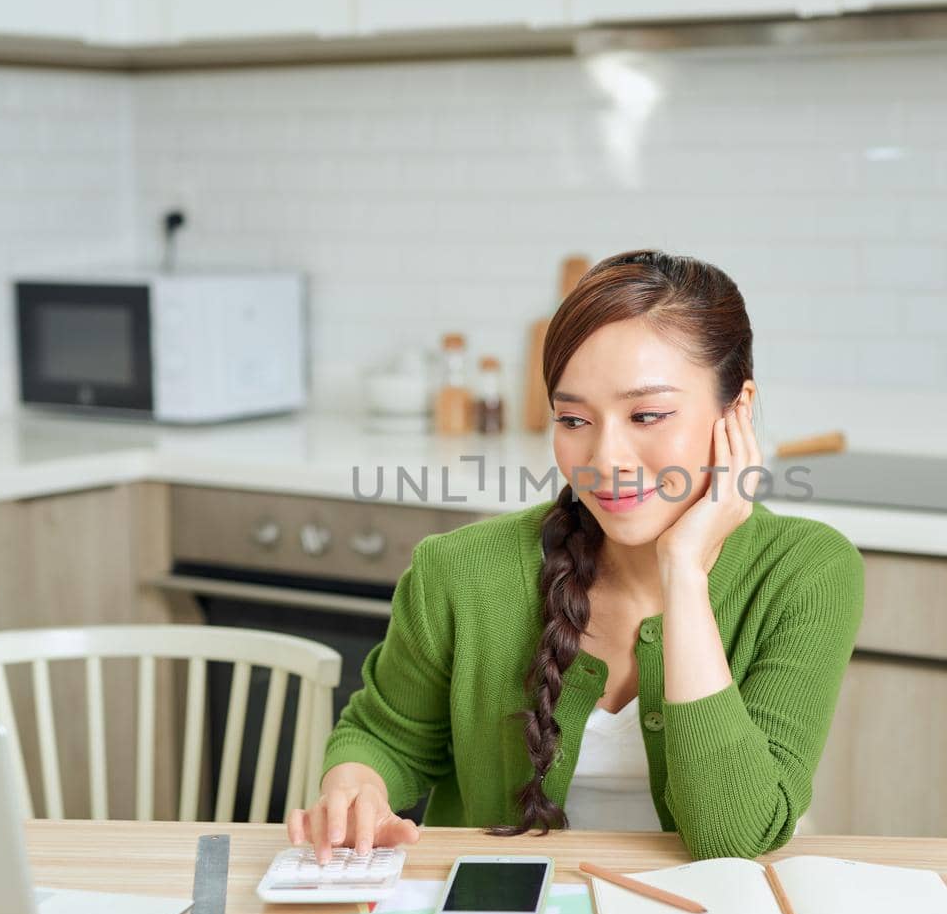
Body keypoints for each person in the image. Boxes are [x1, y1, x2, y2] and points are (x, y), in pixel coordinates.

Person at [286, 249, 865, 862]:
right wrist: (357, 788)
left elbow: (733, 839)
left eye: (647, 414)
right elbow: (383, 737)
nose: (606, 458)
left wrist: (685, 573)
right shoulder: (459, 570)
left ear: (736, 412)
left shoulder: (808, 572)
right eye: (573, 418)